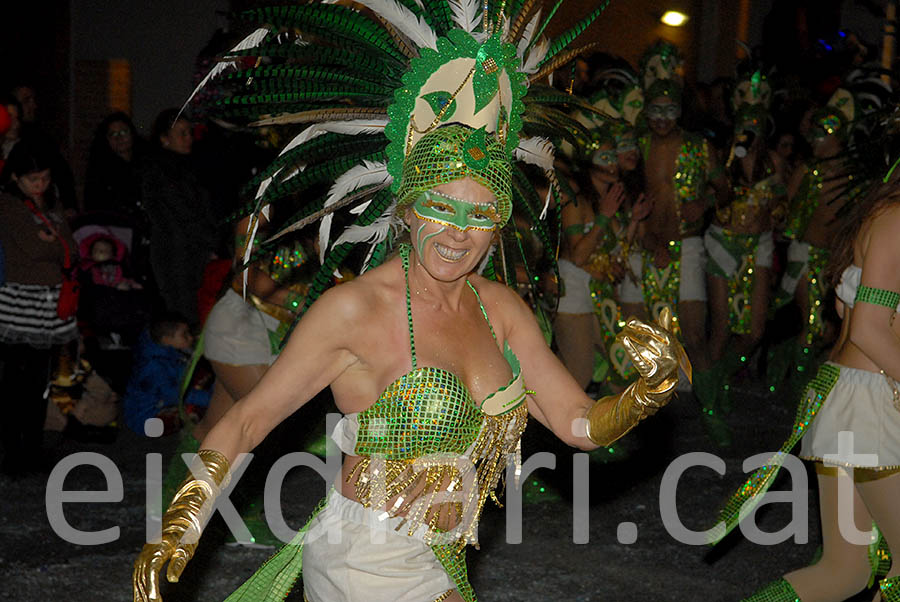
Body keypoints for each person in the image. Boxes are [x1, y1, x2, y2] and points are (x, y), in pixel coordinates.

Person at [132, 6, 689, 600]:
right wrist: (179, 528)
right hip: (364, 556)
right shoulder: (356, 311)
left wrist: (641, 395)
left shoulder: (501, 309)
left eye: (479, 216)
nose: (458, 234)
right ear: (405, 209)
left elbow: (577, 422)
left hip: (441, 559)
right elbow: (246, 420)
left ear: (499, 226)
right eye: (440, 208)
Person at [733, 166, 900, 602]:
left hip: (859, 401)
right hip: (869, 406)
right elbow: (868, 330)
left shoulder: (885, 216)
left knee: (845, 571)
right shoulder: (895, 219)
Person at [635, 42, 730, 444]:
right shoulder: (635, 144)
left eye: (668, 110)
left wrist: (705, 202)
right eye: (654, 110)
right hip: (643, 246)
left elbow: (724, 191)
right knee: (642, 333)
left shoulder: (698, 146)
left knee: (692, 331)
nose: (661, 119)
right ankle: (643, 418)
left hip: (687, 245)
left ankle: (710, 414)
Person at [0, 139, 79, 476]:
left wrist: (54, 243)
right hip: (20, 303)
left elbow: (71, 249)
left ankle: (30, 450)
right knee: (15, 383)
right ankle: (14, 454)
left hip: (50, 303)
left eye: (45, 178)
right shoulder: (8, 204)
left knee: (38, 383)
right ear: (16, 177)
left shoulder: (50, 204)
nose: (41, 185)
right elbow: (32, 249)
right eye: (34, 180)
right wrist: (53, 243)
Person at [140, 109, 217, 328]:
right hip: (177, 255)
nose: (188, 139)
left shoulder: (190, 167)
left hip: (195, 251)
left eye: (189, 132)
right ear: (165, 139)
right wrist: (209, 242)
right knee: (184, 314)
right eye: (181, 133)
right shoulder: (160, 171)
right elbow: (180, 214)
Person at [122, 313, 211, 436]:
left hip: (168, 394)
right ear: (166, 339)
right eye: (184, 335)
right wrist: (208, 399)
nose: (190, 338)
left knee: (204, 374)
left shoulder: (166, 350)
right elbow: (174, 394)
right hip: (146, 416)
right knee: (198, 410)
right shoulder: (153, 367)